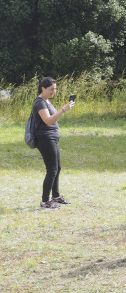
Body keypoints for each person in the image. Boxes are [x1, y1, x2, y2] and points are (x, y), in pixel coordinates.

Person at [33, 77, 75, 209]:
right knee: (51, 170)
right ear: (43, 88)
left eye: (55, 89)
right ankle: (45, 201)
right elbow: (48, 120)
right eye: (51, 89)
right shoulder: (40, 103)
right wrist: (63, 109)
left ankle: (55, 196)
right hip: (45, 139)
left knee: (58, 168)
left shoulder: (47, 101)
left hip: (52, 137)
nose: (53, 92)